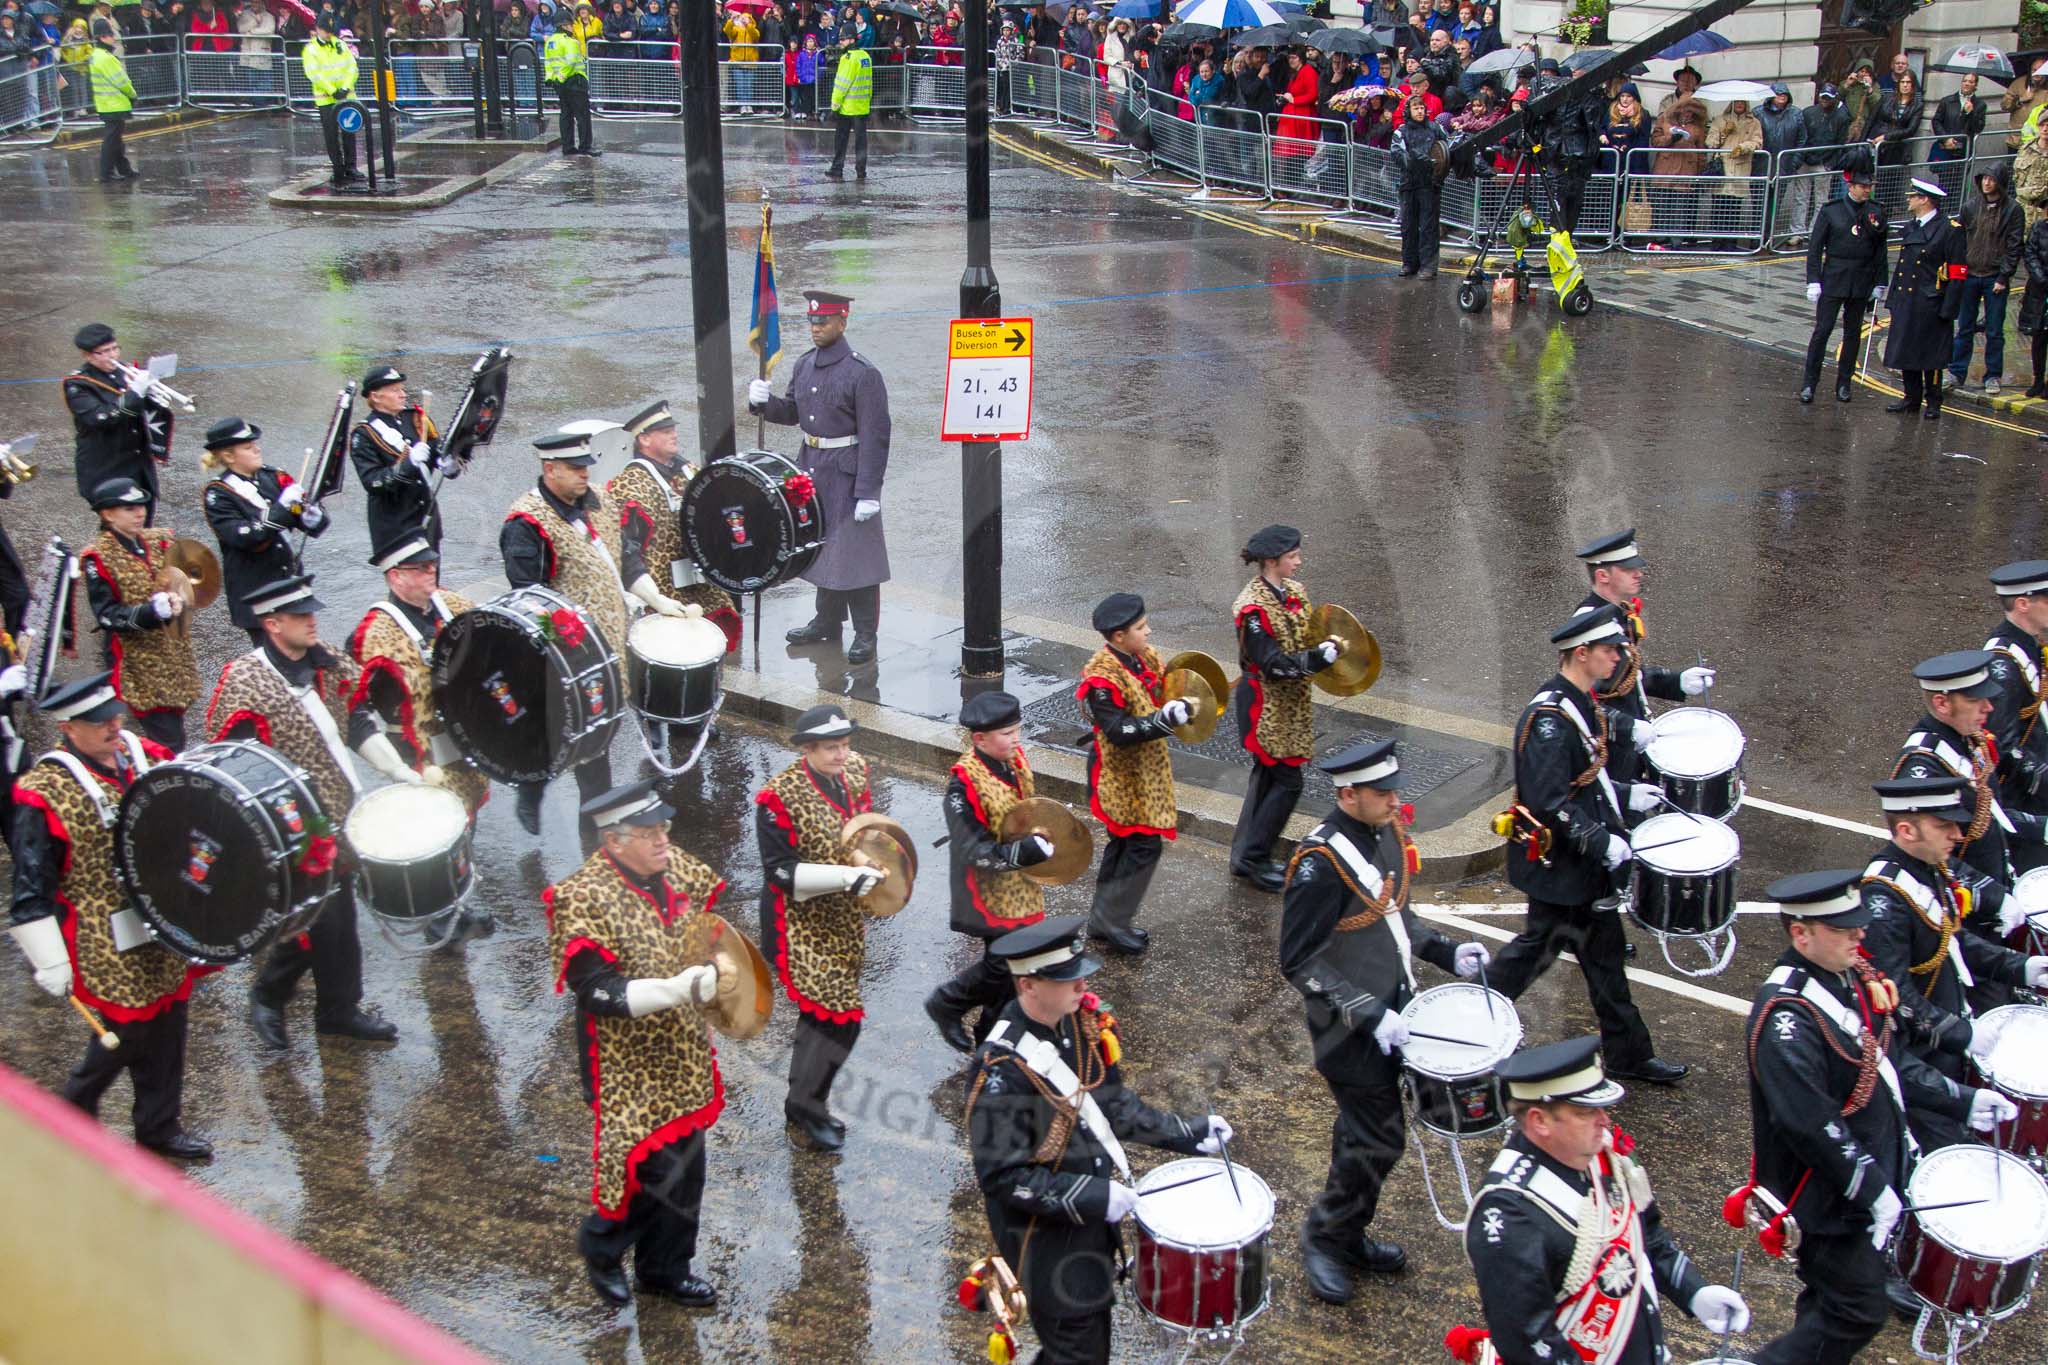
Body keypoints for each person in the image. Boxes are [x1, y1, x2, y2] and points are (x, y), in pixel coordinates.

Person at [1741, 868, 2013, 1364]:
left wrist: (1962, 1099)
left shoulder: (1845, 979)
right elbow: (1808, 1121)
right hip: (1824, 1193)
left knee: (1829, 1303)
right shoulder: (1787, 1015)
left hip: (1864, 1173)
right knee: (1857, 1309)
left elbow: (1885, 1062)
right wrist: (1868, 1188)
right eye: (1844, 929)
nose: (1860, 935)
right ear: (1801, 934)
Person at [964, 916, 1230, 1364]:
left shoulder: (1081, 1022)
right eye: (1066, 978)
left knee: (1080, 1351)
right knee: (1080, 1350)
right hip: (1043, 1237)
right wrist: (1094, 1196)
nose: (1081, 983)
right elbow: (1004, 1178)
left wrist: (1188, 1133)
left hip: (1088, 1221)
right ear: (1028, 985)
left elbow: (1112, 1106)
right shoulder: (998, 1071)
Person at [1282, 739, 1491, 1303]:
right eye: (1384, 792)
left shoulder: (1386, 835)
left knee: (1364, 1135)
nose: (1396, 800)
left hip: (1396, 1008)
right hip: (1346, 1030)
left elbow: (1395, 914)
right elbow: (1298, 961)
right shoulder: (1319, 866)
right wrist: (1368, 1012)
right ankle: (1325, 1239)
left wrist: (1448, 953)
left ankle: (1345, 1234)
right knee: (1381, 1138)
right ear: (1348, 794)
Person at [7, 673, 213, 1161]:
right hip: (102, 929)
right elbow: (30, 884)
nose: (113, 726)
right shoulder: (45, 790)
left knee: (169, 1019)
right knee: (129, 1027)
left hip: (160, 917)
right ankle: (71, 1113)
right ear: (69, 728)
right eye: (99, 722)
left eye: (115, 715)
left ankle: (158, 1128)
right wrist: (48, 960)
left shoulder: (141, 754)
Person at [546, 779, 729, 1309]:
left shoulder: (675, 865)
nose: (662, 840)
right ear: (614, 841)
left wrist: (717, 993)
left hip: (684, 1043)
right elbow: (595, 990)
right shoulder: (581, 896)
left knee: (687, 1167)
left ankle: (665, 1270)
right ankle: (600, 1247)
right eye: (648, 833)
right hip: (622, 1057)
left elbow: (712, 930)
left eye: (663, 828)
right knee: (645, 1167)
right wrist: (678, 989)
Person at [1488, 605, 1688, 1085]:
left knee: (1605, 962)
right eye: (1609, 650)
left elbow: (1585, 784)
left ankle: (1630, 1054)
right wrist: (1604, 844)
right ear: (1582, 654)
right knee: (1530, 957)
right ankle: (1467, 1021)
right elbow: (1550, 802)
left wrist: (1625, 795)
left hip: (1581, 869)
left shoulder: (1577, 702)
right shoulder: (1551, 720)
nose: (1619, 657)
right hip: (1563, 871)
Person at [1454, 1037, 1745, 1365]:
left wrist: (1693, 1291)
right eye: (1585, 1112)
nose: (1605, 1121)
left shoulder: (1606, 1153)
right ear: (1539, 1121)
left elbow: (1646, 1235)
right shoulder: (1508, 1214)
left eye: (1602, 1108)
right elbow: (1528, 1342)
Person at [209, 573, 398, 1050]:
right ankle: (284, 999)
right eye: (300, 615)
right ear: (273, 624)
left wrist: (397, 769)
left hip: (338, 811)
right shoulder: (245, 680)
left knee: (332, 916)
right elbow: (234, 764)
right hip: (289, 826)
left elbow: (353, 721)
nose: (313, 620)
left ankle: (330, 1007)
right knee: (322, 916)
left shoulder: (326, 661)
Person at [1859, 777, 2047, 1136]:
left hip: (1946, 1045)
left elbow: (1953, 946)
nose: (1958, 835)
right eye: (1943, 825)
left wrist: (2020, 967)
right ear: (1906, 830)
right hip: (1920, 1065)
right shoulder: (1884, 902)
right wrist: (1961, 1034)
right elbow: (1898, 999)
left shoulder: (1926, 871)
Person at [753, 703, 887, 1151]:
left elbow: (860, 832)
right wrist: (849, 878)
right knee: (837, 1020)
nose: (842, 755)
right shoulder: (778, 798)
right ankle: (809, 1107)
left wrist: (870, 863)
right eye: (831, 748)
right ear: (807, 748)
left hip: (842, 918)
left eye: (846, 745)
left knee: (823, 1020)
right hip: (797, 924)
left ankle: (803, 1101)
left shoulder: (854, 772)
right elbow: (781, 873)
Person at [344, 529, 492, 931]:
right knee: (433, 832)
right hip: (417, 748)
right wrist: (395, 762)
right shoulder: (375, 634)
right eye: (421, 568)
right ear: (395, 577)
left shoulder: (453, 606)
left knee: (466, 821)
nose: (432, 571)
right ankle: (437, 915)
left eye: (433, 564)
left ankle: (456, 902)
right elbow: (352, 702)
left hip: (462, 740)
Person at [746, 291, 891, 665]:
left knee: (857, 557)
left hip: (847, 472)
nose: (816, 328)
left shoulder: (863, 373)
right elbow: (793, 412)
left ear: (842, 322)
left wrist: (868, 491)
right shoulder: (805, 364)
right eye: (812, 321)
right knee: (821, 550)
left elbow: (875, 436)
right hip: (812, 467)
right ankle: (827, 622)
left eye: (823, 322)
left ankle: (865, 633)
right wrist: (763, 402)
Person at [501, 423, 630, 834]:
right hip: (567, 654)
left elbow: (626, 553)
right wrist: (564, 644)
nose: (585, 474)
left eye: (586, 467)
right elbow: (528, 598)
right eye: (575, 468)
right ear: (550, 468)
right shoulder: (526, 524)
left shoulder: (597, 502)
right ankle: (540, 793)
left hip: (609, 643)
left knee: (594, 741)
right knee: (586, 747)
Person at [923, 690, 1049, 1052]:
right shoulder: (962, 785)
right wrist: (1021, 853)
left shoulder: (1014, 760)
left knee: (1015, 967)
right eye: (1007, 734)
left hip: (1018, 882)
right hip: (985, 890)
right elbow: (970, 849)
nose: (1016, 740)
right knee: (1003, 964)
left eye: (1017, 730)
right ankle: (948, 1002)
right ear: (979, 739)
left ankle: (991, 1039)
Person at [1228, 524, 1341, 888]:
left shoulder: (1294, 591)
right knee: (1287, 781)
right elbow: (1273, 664)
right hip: (1264, 703)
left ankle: (1247, 855)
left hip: (1289, 702)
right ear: (1273, 561)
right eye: (1293, 556)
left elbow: (1306, 635)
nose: (1298, 561)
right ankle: (1255, 857)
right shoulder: (1252, 608)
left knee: (1267, 778)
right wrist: (1318, 660)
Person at [1076, 592, 1187, 957]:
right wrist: (1163, 720)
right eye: (1141, 628)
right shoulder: (1101, 679)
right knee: (1141, 846)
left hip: (1146, 772)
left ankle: (1105, 919)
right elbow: (1118, 733)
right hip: (1121, 777)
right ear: (1119, 637)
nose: (1149, 631)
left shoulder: (1142, 657)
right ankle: (1112, 921)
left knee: (1127, 846)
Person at [1891, 649, 2048, 885]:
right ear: (1942, 703)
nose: (1988, 707)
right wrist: (1990, 898)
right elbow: (1927, 853)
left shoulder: (1969, 740)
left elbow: (1990, 816)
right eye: (1975, 700)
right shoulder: (1924, 768)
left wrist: (2041, 827)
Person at [1572, 529, 1715, 788]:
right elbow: (1577, 702)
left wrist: (1676, 681)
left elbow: (1627, 677)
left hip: (1626, 750)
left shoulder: (1615, 615)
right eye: (1627, 569)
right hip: (1606, 757)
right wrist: (1628, 727)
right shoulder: (1590, 628)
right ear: (1603, 576)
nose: (1639, 574)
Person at [606, 398, 740, 648]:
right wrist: (652, 597)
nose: (674, 435)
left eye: (673, 429)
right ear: (644, 439)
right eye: (665, 432)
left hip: (700, 583)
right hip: (661, 593)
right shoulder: (631, 485)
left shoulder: (687, 470)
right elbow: (626, 550)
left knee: (713, 647)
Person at [78, 478, 198, 752]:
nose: (139, 512)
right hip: (138, 659)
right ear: (107, 515)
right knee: (168, 738)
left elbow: (187, 573)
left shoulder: (158, 540)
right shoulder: (99, 557)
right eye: (128, 508)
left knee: (175, 725)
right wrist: (149, 612)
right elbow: (107, 615)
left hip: (173, 651)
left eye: (140, 505)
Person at [201, 417, 327, 643]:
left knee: (304, 650)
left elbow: (303, 517)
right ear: (229, 456)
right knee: (274, 659)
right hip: (257, 588)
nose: (257, 449)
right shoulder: (218, 494)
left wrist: (312, 516)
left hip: (290, 580)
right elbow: (245, 536)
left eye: (255, 444)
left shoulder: (273, 477)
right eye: (248, 447)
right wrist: (281, 508)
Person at [64, 322, 170, 521]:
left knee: (143, 526)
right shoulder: (78, 385)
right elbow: (100, 418)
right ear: (87, 355)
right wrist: (134, 393)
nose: (112, 355)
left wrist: (150, 395)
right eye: (104, 352)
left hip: (138, 467)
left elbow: (144, 414)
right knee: (118, 531)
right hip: (107, 469)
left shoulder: (126, 374)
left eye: (114, 348)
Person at [1801, 166, 1888, 404]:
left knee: (1852, 335)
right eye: (1863, 186)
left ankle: (1844, 382)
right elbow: (1815, 248)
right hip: (1834, 277)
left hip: (1861, 279)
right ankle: (1810, 382)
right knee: (1823, 331)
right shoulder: (1832, 211)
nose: (1867, 190)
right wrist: (1813, 280)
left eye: (1869, 187)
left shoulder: (1876, 211)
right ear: (1851, 187)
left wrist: (1881, 282)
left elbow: (1881, 250)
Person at [1883, 178, 1966, 419]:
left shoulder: (1950, 230)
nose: (1908, 199)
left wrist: (1949, 308)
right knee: (1906, 351)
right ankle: (1911, 397)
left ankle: (1933, 400)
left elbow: (1958, 271)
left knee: (1931, 357)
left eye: (1912, 196)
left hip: (1931, 302)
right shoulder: (1912, 227)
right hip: (1908, 300)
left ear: (1924, 199)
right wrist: (1893, 299)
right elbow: (1902, 267)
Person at [1984, 560, 2048, 869]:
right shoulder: (2004, 664)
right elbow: (2001, 746)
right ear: (2023, 603)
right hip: (2023, 803)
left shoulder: (2029, 647)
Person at [350, 365, 446, 550]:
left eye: (401, 389)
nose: (403, 394)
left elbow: (435, 451)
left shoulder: (416, 420)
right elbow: (373, 482)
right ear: (376, 396)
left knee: (430, 578)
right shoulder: (364, 434)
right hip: (395, 524)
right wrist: (409, 463)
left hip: (426, 515)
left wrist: (446, 462)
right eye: (395, 391)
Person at [1947, 163, 2023, 395]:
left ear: (2000, 182)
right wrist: (1957, 273)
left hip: (1994, 277)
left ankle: (1993, 375)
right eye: (1984, 179)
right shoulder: (1970, 207)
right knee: (1964, 327)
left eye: (1992, 179)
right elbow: (1959, 240)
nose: (1987, 183)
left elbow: (2014, 246)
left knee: (1994, 330)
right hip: (1970, 274)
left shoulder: (2013, 210)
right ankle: (1956, 372)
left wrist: (2004, 276)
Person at [1391, 94, 1446, 277]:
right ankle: (1409, 263)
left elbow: (1447, 149)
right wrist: (1415, 161)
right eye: (1416, 108)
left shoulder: (1436, 128)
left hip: (1430, 184)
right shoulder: (1401, 131)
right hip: (1409, 183)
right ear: (1409, 111)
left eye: (1422, 108)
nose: (1420, 111)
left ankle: (1428, 266)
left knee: (1428, 226)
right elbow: (1398, 154)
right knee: (1408, 225)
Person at [303, 12, 359, 187]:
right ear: (317, 29)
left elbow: (352, 67)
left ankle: (351, 167)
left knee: (349, 133)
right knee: (332, 137)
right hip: (326, 100)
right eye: (326, 30)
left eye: (331, 30)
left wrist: (345, 88)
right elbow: (314, 74)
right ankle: (338, 168)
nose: (329, 34)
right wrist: (333, 90)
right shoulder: (311, 50)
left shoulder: (340, 44)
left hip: (345, 97)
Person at [87, 18, 135, 182]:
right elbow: (122, 82)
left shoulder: (96, 55)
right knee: (111, 141)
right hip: (114, 104)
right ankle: (106, 173)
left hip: (106, 104)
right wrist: (133, 95)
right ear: (102, 37)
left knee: (116, 140)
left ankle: (124, 169)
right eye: (110, 35)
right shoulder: (106, 58)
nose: (113, 38)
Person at [543, 15, 598, 155]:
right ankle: (585, 147)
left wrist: (552, 78)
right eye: (571, 25)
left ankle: (567, 146)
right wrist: (562, 77)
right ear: (565, 26)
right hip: (575, 81)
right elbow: (571, 62)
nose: (572, 27)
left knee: (566, 114)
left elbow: (548, 62)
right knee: (582, 116)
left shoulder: (550, 41)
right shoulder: (570, 42)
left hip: (558, 84)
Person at [824, 32, 870, 179]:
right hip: (861, 107)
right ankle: (861, 170)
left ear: (851, 40)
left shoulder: (847, 58)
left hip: (847, 108)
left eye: (843, 39)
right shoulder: (865, 57)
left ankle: (837, 168)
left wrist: (834, 107)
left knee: (841, 141)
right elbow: (869, 83)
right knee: (861, 143)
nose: (841, 42)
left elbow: (841, 85)